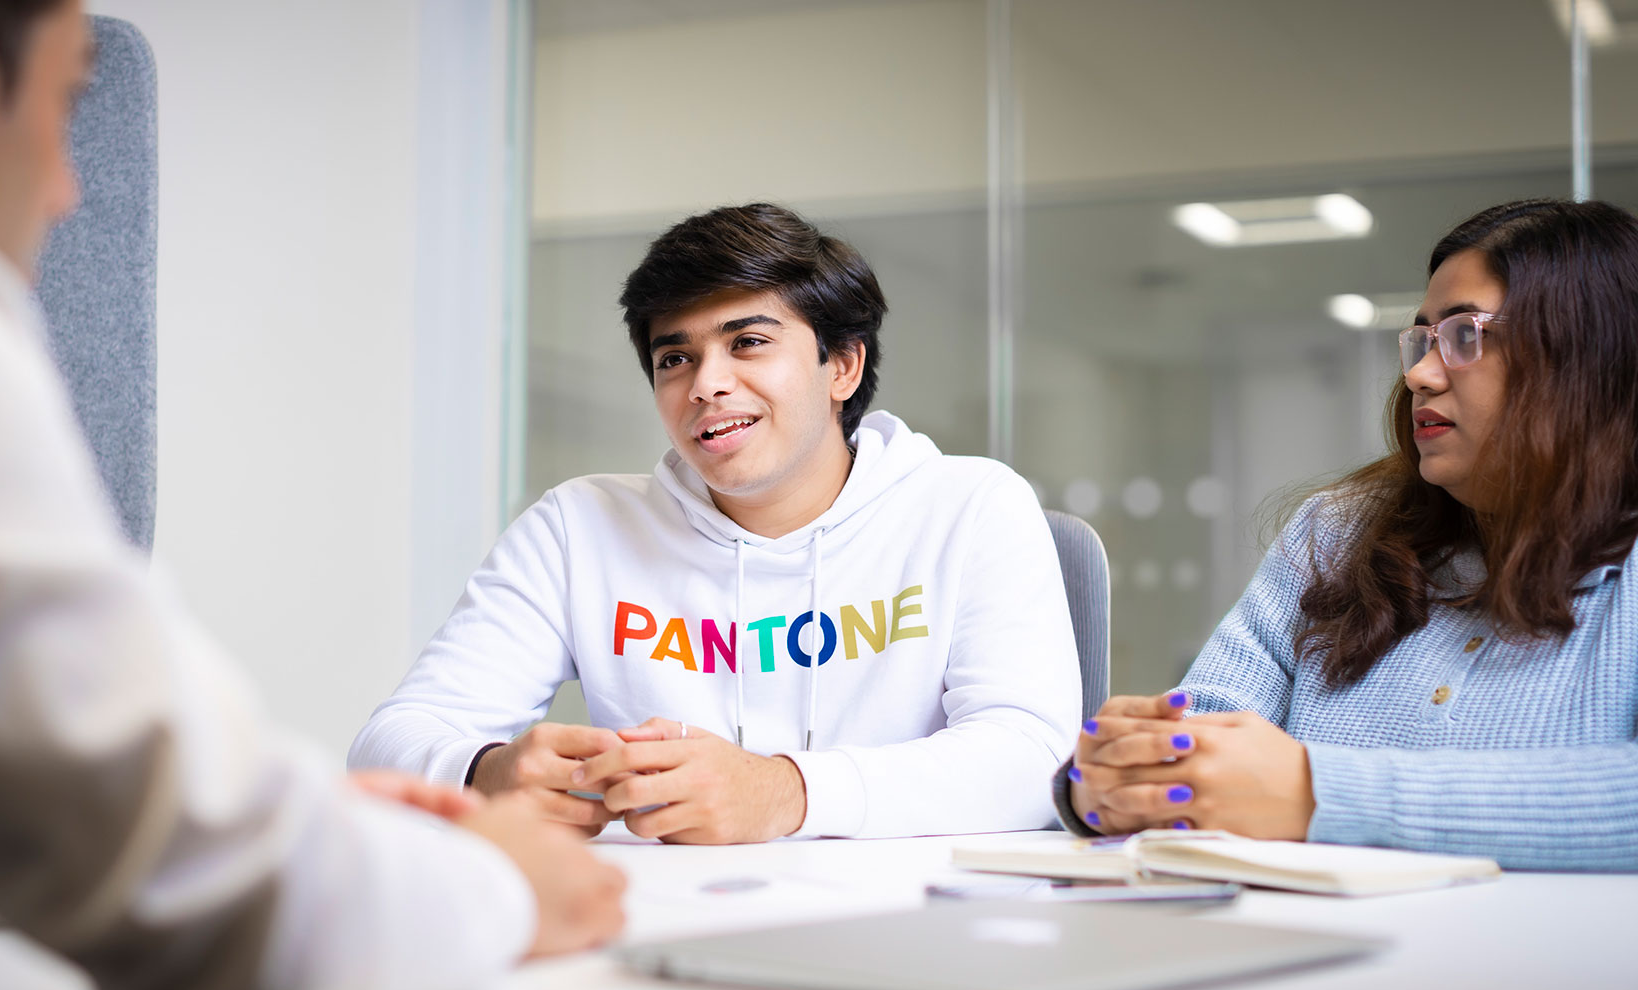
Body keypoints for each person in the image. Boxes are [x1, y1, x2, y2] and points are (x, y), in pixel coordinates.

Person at [0, 0, 623, 990]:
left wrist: (300, 832)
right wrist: (501, 882)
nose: (65, 188)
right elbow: (224, 914)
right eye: (67, 99)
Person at [351, 203, 1081, 844]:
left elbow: (1032, 759)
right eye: (676, 357)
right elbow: (390, 740)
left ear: (844, 368)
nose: (707, 384)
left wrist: (784, 793)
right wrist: (487, 770)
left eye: (749, 342)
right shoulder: (582, 527)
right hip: (659, 918)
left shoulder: (969, 506)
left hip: (916, 926)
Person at [1057, 198, 1638, 871]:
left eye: (1465, 336)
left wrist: (1317, 794)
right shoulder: (1338, 532)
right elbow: (1203, 734)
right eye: (1422, 340)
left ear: (1588, 359)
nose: (1418, 374)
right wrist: (1110, 780)